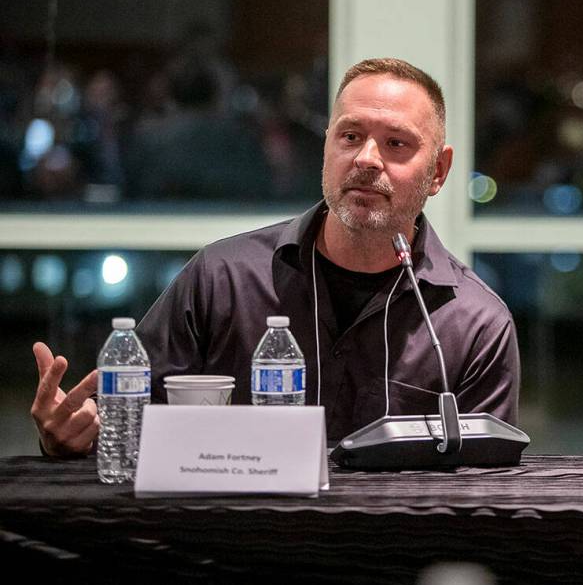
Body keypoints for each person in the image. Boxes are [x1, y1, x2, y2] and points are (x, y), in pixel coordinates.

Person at [32, 57, 520, 455]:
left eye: (395, 144)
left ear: (438, 172)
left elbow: (480, 499)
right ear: (327, 147)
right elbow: (116, 428)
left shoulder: (473, 324)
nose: (366, 159)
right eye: (350, 136)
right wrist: (71, 436)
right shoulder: (222, 279)